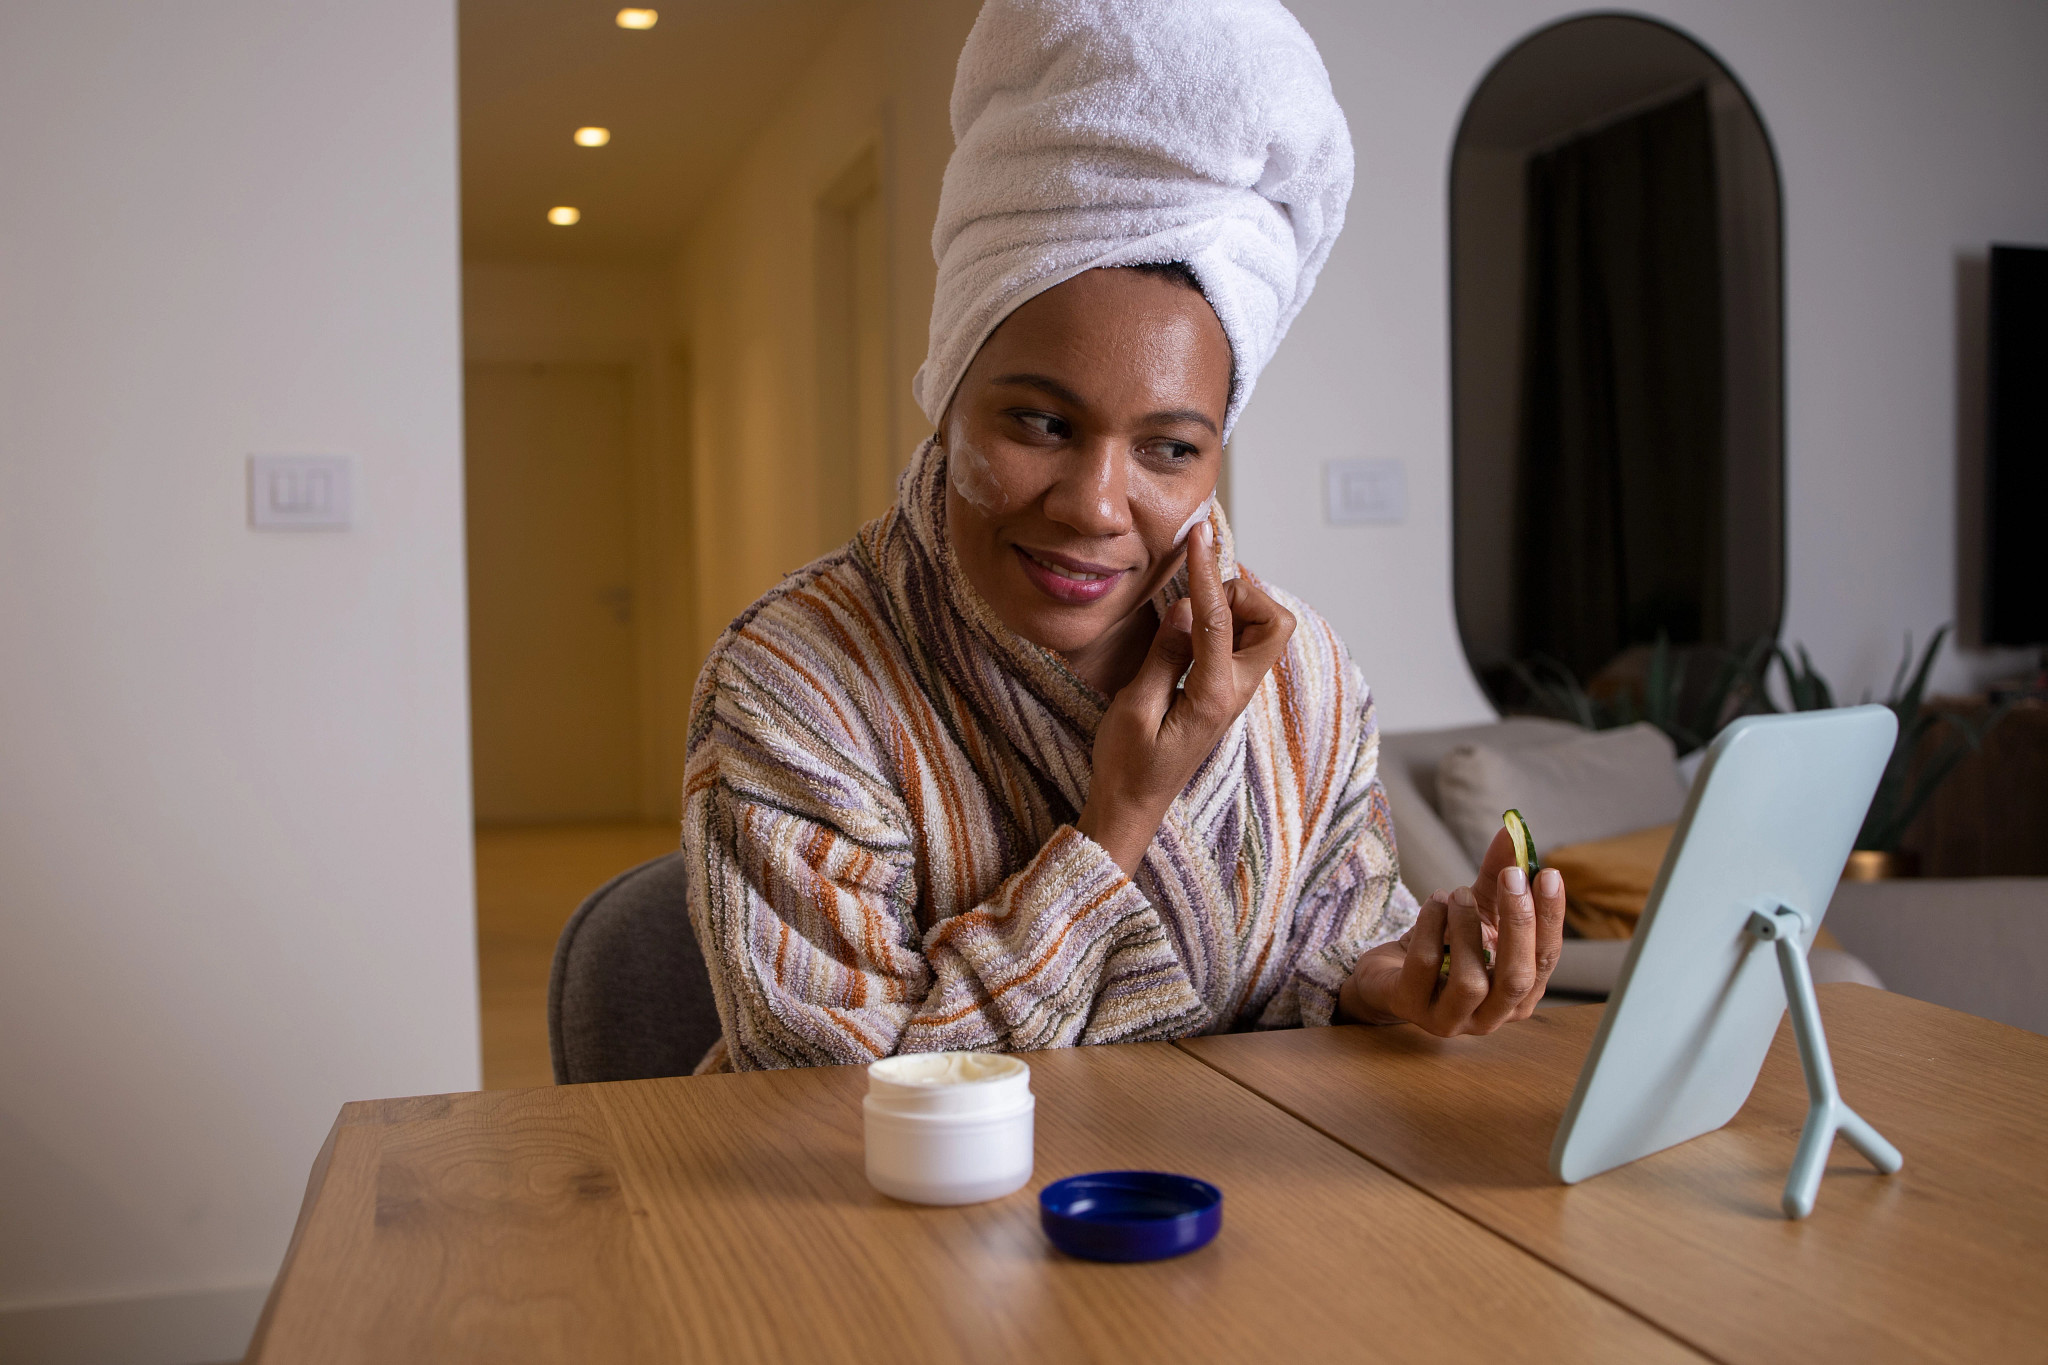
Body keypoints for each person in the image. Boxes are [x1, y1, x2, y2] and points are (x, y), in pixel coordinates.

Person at [681, 0, 1566, 1072]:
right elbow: (831, 1101)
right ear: (947, 396)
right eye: (1040, 423)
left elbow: (1328, 944)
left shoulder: (1306, 681)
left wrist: (1385, 982)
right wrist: (1122, 815)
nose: (1096, 506)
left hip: (1226, 1210)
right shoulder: (796, 688)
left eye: (1167, 449)